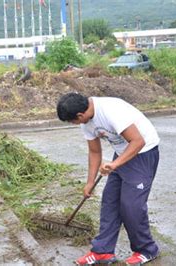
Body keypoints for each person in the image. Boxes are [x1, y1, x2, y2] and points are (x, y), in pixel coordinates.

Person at [56, 93, 160, 265]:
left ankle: (147, 249)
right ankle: (102, 251)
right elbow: (95, 152)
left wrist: (115, 164)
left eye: (72, 121)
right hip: (121, 153)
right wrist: (90, 183)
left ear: (80, 115)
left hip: (143, 153)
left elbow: (138, 141)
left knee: (131, 206)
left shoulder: (111, 111)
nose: (74, 124)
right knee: (110, 202)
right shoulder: (86, 121)